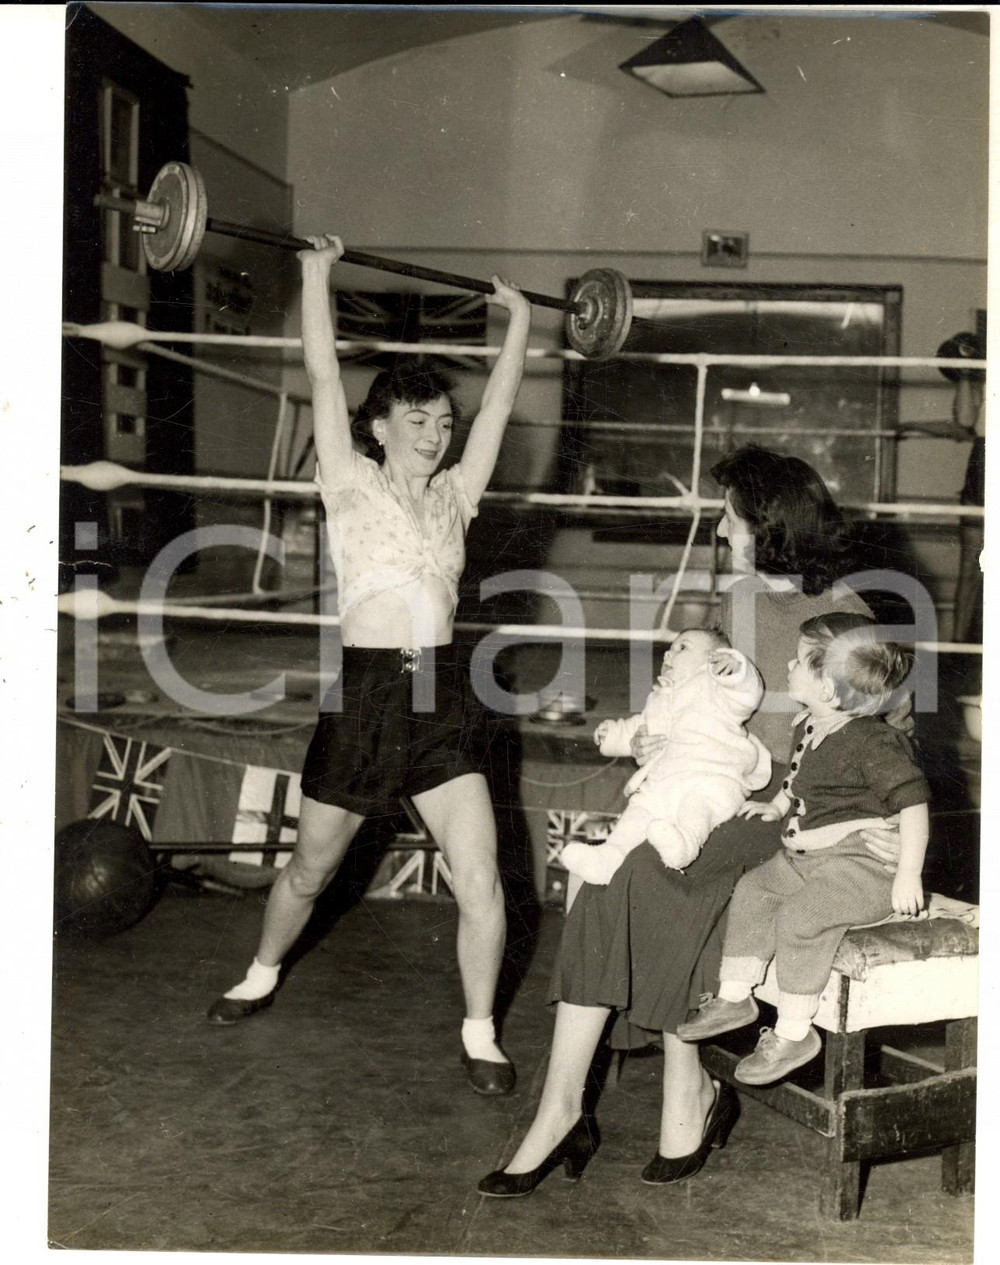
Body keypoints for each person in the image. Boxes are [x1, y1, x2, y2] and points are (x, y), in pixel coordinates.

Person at [477, 444, 905, 1198]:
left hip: (798, 814)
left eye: (728, 514)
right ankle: (566, 1106)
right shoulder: (740, 599)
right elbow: (716, 705)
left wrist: (872, 826)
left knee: (656, 880)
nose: (717, 527)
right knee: (614, 873)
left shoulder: (848, 616)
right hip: (723, 790)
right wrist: (658, 730)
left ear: (766, 522)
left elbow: (886, 740)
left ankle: (678, 1093)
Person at [207, 234, 532, 1098]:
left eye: (442, 422)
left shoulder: (458, 497)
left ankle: (479, 1030)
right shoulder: (347, 482)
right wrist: (317, 276)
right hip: (367, 696)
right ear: (381, 425)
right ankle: (265, 968)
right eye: (417, 420)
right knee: (311, 869)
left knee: (481, 878)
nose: (435, 434)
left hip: (443, 698)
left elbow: (496, 415)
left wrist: (520, 324)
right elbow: (321, 377)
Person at [676, 613, 928, 1085]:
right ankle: (735, 997)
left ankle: (794, 1032)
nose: (788, 663)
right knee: (753, 889)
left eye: (798, 660)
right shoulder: (811, 723)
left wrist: (908, 872)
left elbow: (913, 804)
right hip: (805, 855)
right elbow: (799, 779)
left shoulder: (874, 743)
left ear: (829, 691)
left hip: (862, 866)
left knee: (802, 917)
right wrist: (776, 805)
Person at [560, 629, 771, 885]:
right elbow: (641, 726)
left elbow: (747, 693)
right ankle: (609, 858)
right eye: (669, 650)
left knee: (697, 808)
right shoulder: (659, 698)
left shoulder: (716, 688)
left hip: (711, 779)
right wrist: (613, 734)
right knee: (638, 812)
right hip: (662, 783)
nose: (669, 654)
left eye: (683, 648)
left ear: (712, 658)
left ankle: (684, 844)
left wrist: (736, 667)